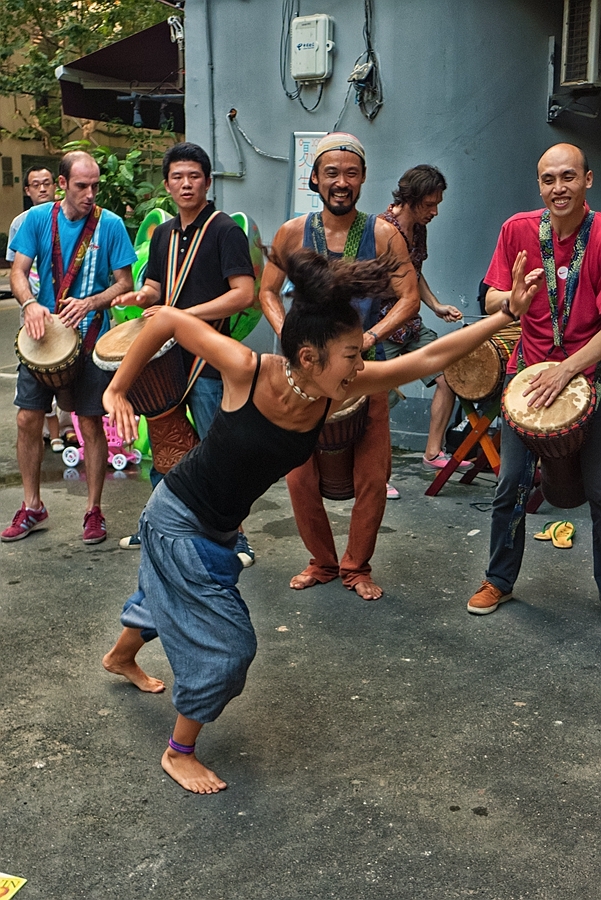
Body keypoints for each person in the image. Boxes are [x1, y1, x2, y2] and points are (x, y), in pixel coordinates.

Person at [101, 246, 536, 794]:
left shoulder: (339, 388)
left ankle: (120, 657)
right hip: (177, 521)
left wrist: (505, 315)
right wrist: (117, 388)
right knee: (230, 648)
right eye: (352, 354)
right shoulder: (245, 369)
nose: (361, 363)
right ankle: (179, 750)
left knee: (171, 592)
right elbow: (164, 317)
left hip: (218, 527)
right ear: (309, 357)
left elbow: (427, 360)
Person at [259, 132, 420, 601]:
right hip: (306, 375)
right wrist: (291, 337)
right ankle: (322, 562)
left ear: (364, 179)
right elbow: (267, 291)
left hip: (363, 372)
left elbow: (409, 300)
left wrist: (367, 338)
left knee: (373, 476)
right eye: (331, 172)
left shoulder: (384, 234)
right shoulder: (292, 232)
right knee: (298, 474)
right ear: (315, 177)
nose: (341, 181)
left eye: (351, 173)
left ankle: (356, 567)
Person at [466, 142, 601, 615]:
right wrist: (510, 301)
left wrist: (568, 370)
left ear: (587, 180)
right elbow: (490, 300)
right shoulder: (517, 230)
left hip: (589, 375)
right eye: (548, 179)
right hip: (528, 377)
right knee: (511, 486)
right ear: (539, 184)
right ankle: (498, 579)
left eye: (568, 177)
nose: (558, 188)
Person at [112, 142, 256, 562]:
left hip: (208, 361)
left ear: (208, 183)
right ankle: (157, 527)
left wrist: (181, 315)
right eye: (178, 177)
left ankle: (236, 537)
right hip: (167, 360)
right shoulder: (163, 234)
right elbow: (156, 288)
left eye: (194, 176)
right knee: (165, 448)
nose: (186, 183)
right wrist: (139, 297)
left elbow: (243, 294)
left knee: (219, 450)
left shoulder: (225, 230)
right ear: (167, 185)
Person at [2, 150, 136, 544]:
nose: (90, 193)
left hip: (92, 335)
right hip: (45, 337)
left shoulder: (109, 224)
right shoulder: (38, 220)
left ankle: (93, 510)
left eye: (95, 185)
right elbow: (18, 271)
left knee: (91, 424)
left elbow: (124, 282)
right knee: (27, 419)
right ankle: (32, 506)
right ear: (62, 185)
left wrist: (92, 302)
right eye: (82, 186)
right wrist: (30, 305)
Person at [378, 164, 471, 472]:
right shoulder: (380, 228)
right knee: (375, 400)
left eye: (437, 205)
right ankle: (376, 472)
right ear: (410, 198)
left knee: (449, 377)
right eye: (429, 205)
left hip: (411, 326)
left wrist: (436, 306)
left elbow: (414, 273)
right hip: (381, 327)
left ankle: (433, 452)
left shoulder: (419, 229)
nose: (434, 212)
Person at [6, 166, 71, 453]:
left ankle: (67, 428)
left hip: (66, 311)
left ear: (56, 185)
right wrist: (30, 303)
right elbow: (16, 270)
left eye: (47, 183)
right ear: (27, 190)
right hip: (33, 311)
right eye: (36, 185)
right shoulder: (21, 223)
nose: (42, 189)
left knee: (69, 371)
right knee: (37, 372)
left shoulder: (70, 217)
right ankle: (48, 429)